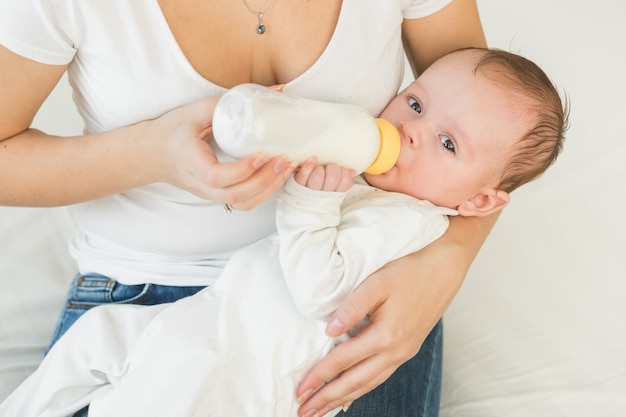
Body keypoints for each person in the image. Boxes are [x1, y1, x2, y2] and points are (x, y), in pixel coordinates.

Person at [0, 47, 568, 417]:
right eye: (415, 102)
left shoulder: (408, 227)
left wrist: (310, 201)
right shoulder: (381, 189)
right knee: (97, 339)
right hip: (210, 321)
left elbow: (320, 292)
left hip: (240, 374)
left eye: (448, 144)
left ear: (480, 201)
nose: (411, 131)